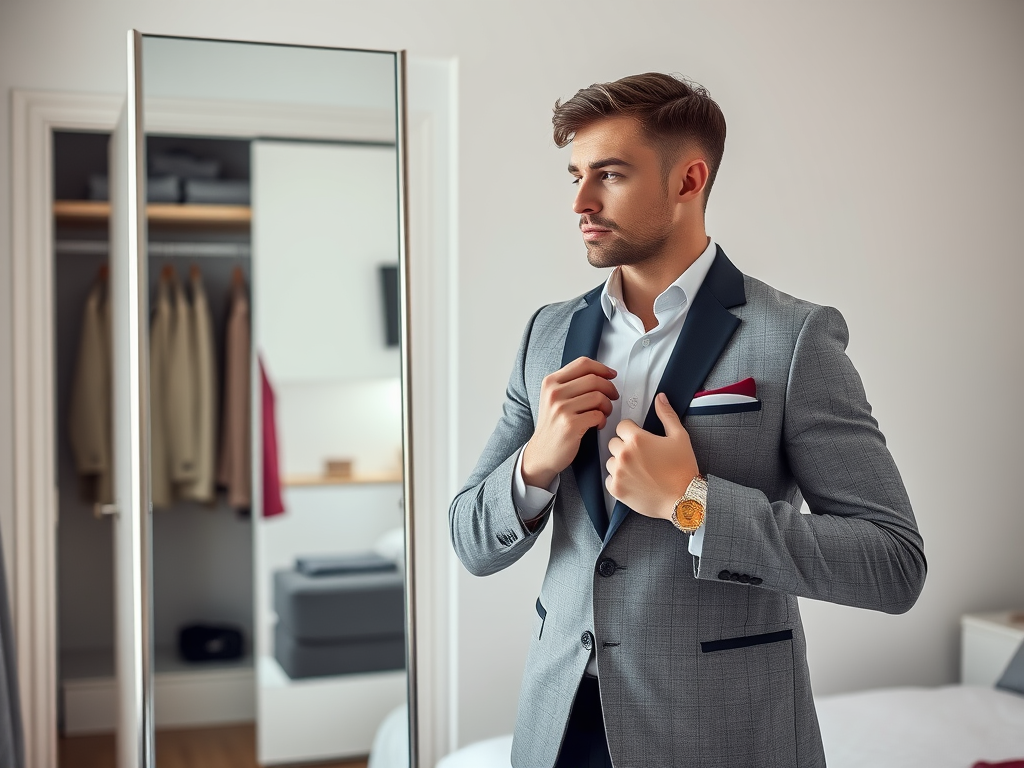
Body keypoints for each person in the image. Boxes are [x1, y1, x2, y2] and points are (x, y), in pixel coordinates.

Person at [449, 72, 926, 768]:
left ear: (687, 180)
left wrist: (691, 504)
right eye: (575, 175)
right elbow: (470, 539)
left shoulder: (793, 340)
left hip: (721, 733)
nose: (580, 201)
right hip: (558, 728)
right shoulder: (546, 336)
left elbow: (893, 564)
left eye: (608, 174)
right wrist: (534, 465)